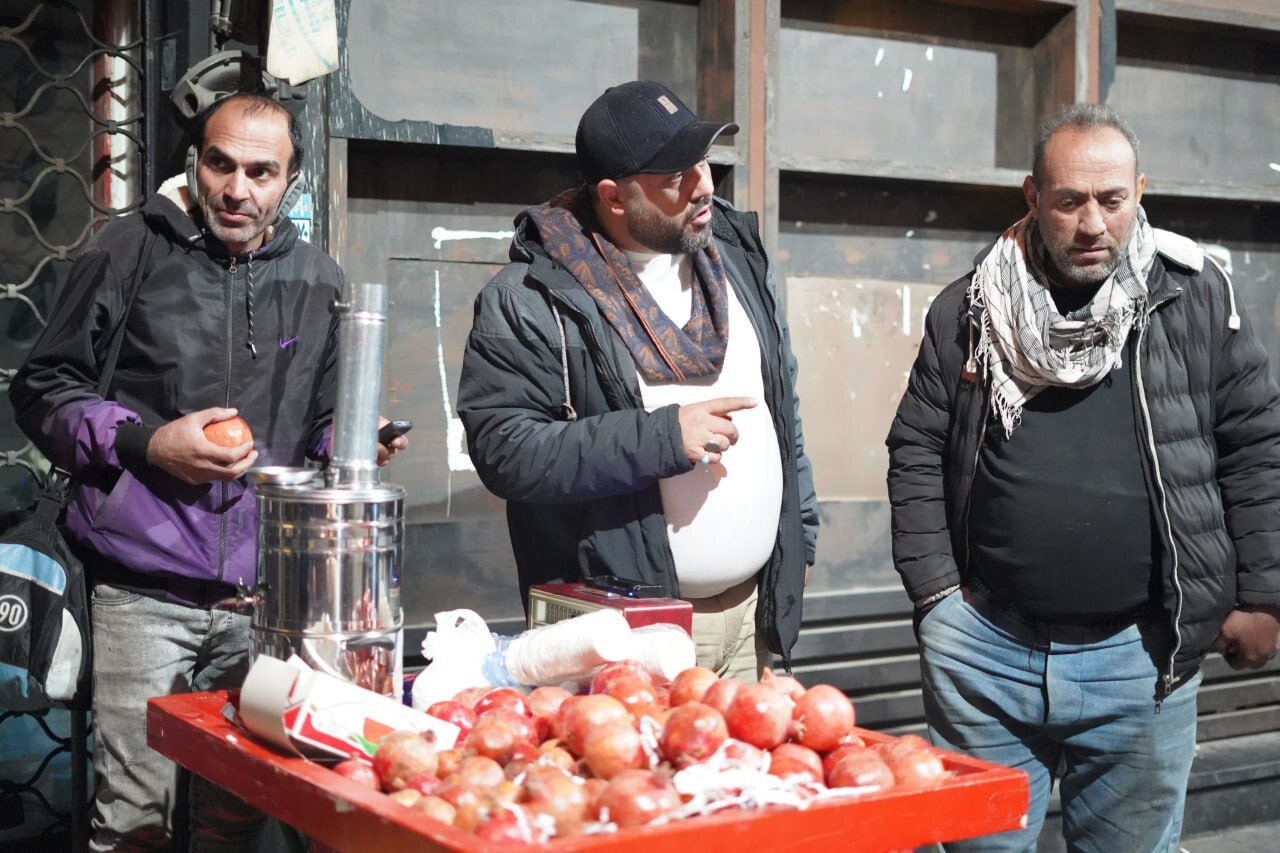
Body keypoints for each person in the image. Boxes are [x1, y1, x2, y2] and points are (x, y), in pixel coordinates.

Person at [9, 93, 405, 851]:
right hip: (142, 590)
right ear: (193, 163)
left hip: (267, 597)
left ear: (289, 182)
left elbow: (317, 424)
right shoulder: (127, 249)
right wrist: (148, 444)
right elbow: (42, 389)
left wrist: (356, 438)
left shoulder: (318, 278)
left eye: (262, 171)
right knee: (135, 818)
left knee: (235, 814)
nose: (237, 188)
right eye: (221, 163)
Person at [886, 102, 1280, 851]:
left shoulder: (1197, 298)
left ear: (1141, 191)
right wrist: (937, 598)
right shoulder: (970, 307)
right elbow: (916, 449)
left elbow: (1255, 445)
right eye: (1069, 201)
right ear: (1033, 196)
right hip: (985, 656)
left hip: (1143, 655)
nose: (1092, 224)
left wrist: (1264, 591)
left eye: (1112, 199)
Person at [457, 80, 818, 679]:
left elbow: (783, 407)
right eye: (676, 175)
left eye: (703, 160)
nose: (704, 183)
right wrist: (662, 438)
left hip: (755, 620)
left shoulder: (734, 257)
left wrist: (799, 534)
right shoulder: (529, 299)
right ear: (614, 197)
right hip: (629, 639)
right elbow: (505, 450)